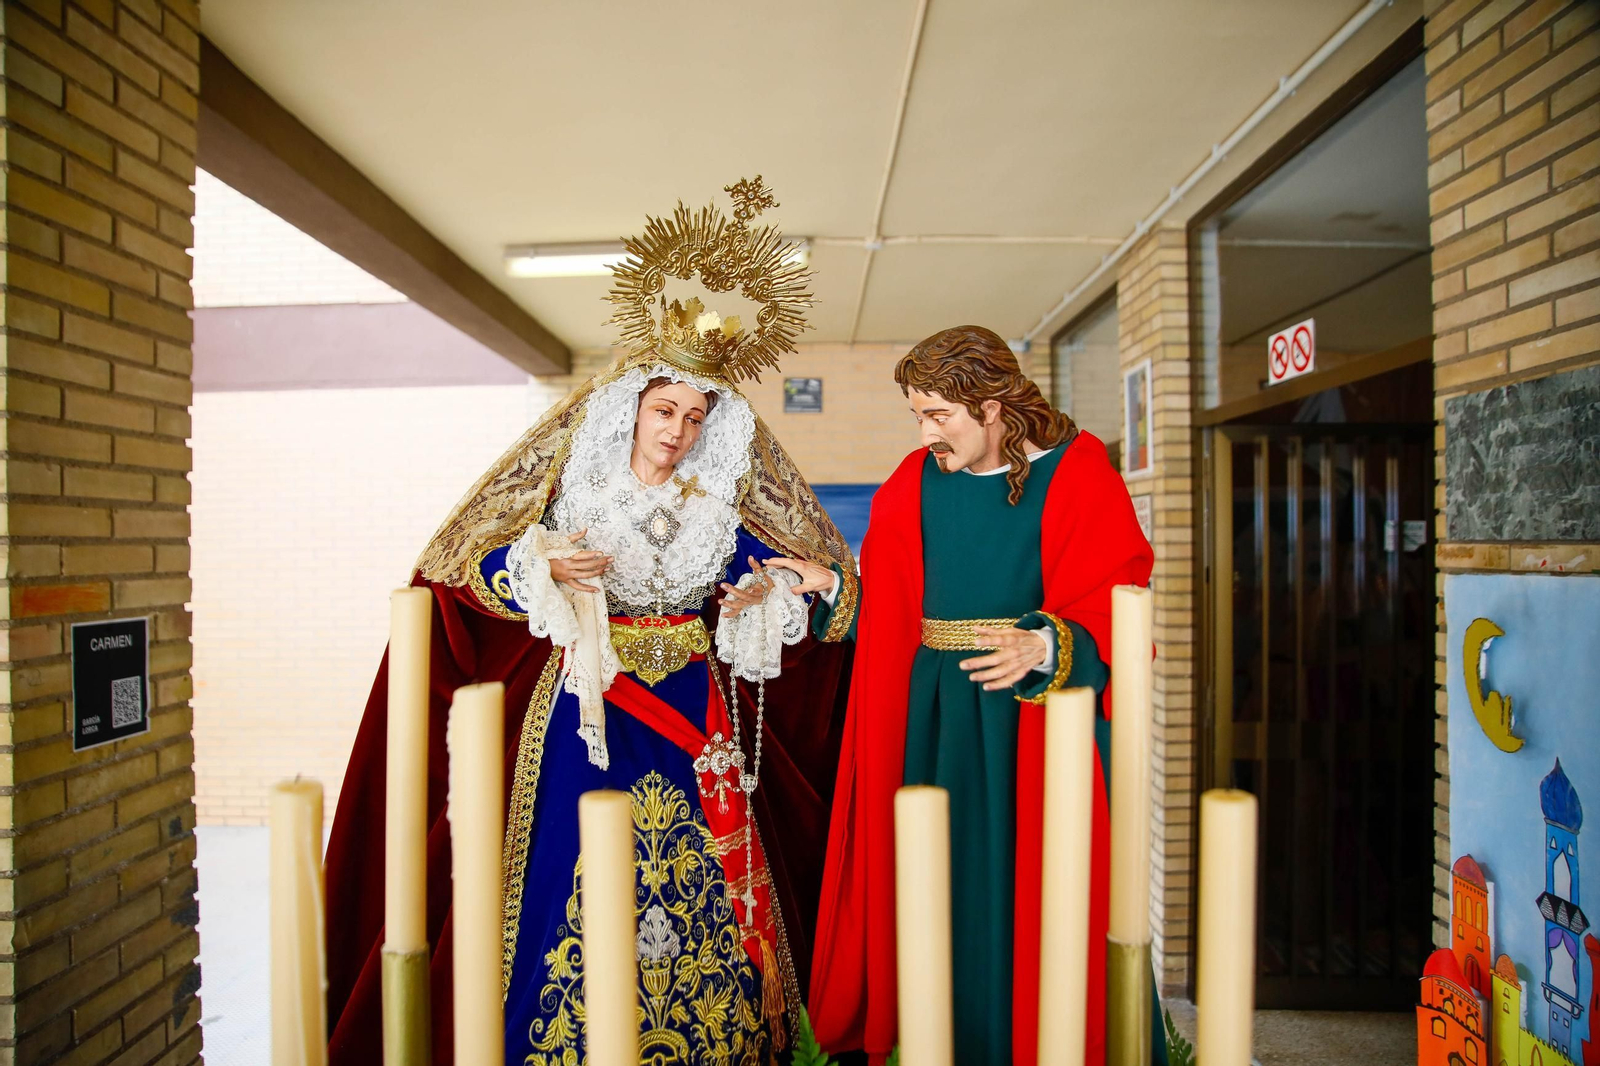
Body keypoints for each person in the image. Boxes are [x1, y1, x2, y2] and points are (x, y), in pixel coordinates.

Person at [323, 179, 854, 1065]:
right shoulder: (576, 492)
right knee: (558, 866)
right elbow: (466, 564)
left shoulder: (718, 508)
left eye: (694, 418)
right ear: (634, 408)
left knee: (708, 879)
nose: (677, 432)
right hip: (586, 712)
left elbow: (771, 580)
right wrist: (541, 566)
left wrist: (771, 596)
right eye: (665, 411)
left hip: (693, 709)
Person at [780, 325, 1165, 1066]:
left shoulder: (1078, 471)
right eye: (918, 415)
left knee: (1033, 895)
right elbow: (890, 598)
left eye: (938, 415)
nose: (926, 433)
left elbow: (1119, 593)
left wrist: (1047, 643)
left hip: (1035, 717)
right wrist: (831, 587)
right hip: (936, 721)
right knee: (937, 887)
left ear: (991, 406)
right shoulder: (918, 477)